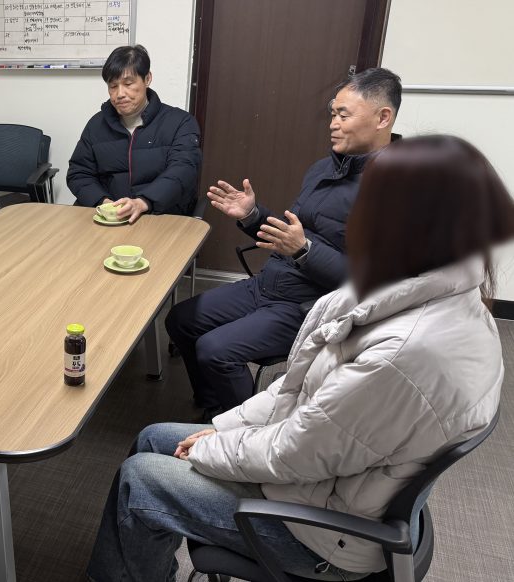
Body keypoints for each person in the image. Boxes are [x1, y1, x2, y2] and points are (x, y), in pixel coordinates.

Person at [89, 135, 513, 581]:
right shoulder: (428, 289)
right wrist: (225, 427)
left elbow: (296, 453)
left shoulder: (403, 353)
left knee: (140, 480)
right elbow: (297, 391)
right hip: (325, 478)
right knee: (154, 436)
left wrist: (214, 447)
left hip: (320, 531)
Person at [166, 67, 402, 416]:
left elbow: (374, 284)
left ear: (383, 118)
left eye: (344, 115)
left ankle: (243, 433)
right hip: (270, 285)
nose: (333, 124)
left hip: (311, 308)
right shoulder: (323, 169)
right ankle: (213, 407)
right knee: (180, 321)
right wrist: (252, 215)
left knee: (216, 350)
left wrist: (305, 251)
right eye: (332, 114)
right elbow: (292, 235)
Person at [67, 44, 202, 223]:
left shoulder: (180, 122)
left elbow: (183, 171)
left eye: (128, 84)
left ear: (147, 79)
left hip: (160, 217)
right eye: (113, 86)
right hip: (109, 220)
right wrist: (104, 202)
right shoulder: (96, 125)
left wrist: (143, 202)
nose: (119, 94)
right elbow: (78, 173)